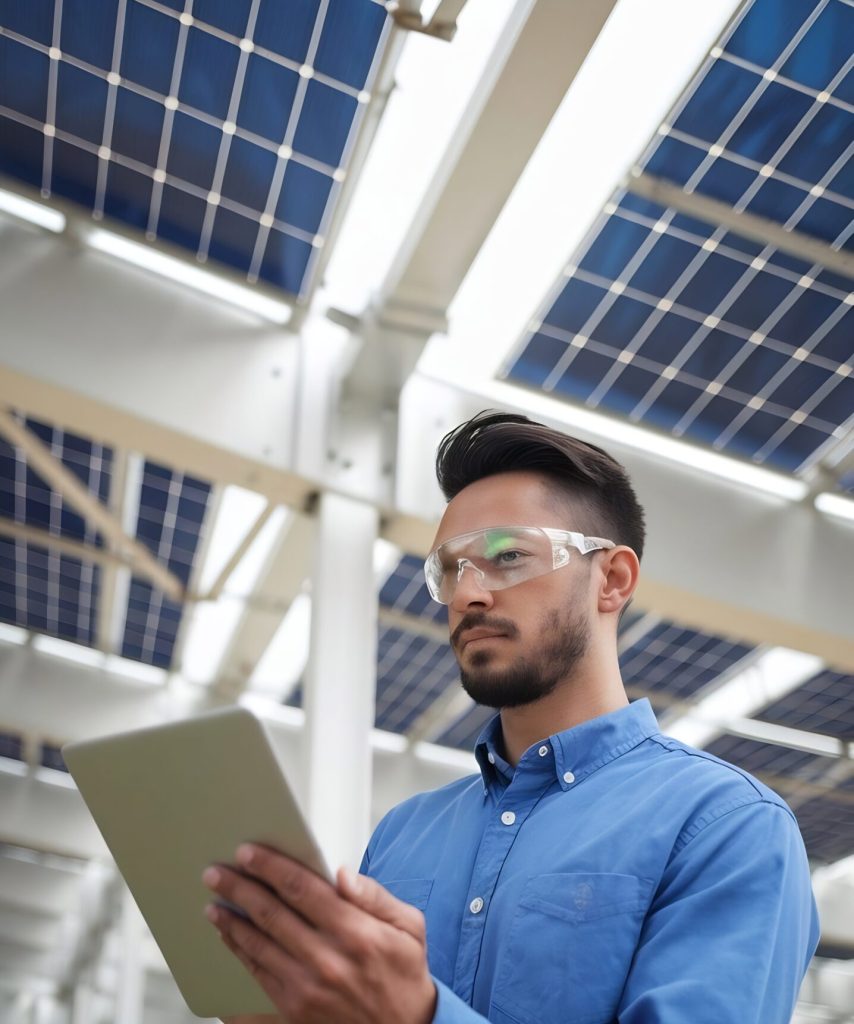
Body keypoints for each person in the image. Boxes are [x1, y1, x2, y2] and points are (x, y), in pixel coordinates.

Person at [203, 411, 820, 1023]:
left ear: (612, 580)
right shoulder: (404, 832)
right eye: (450, 568)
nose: (468, 593)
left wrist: (420, 1016)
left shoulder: (727, 827)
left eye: (508, 556)